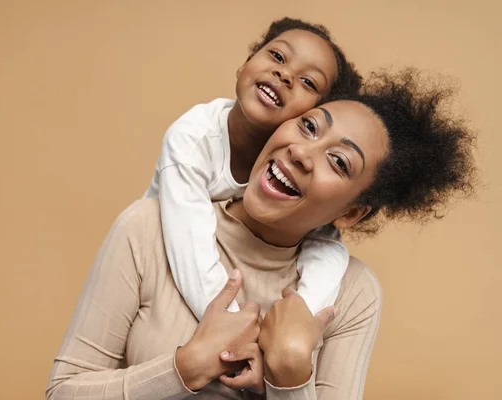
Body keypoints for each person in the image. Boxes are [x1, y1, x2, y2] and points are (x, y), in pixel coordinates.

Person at [46, 70, 475, 399]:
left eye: (339, 162)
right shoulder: (146, 228)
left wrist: (288, 371)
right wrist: (186, 367)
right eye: (309, 127)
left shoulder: (352, 294)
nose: (303, 153)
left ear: (352, 212)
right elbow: (63, 390)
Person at [144, 17, 362, 321]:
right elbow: (192, 257)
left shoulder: (292, 166)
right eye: (276, 56)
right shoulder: (192, 139)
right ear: (245, 63)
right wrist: (235, 332)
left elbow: (328, 247)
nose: (284, 74)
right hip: (158, 265)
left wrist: (298, 321)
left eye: (308, 82)